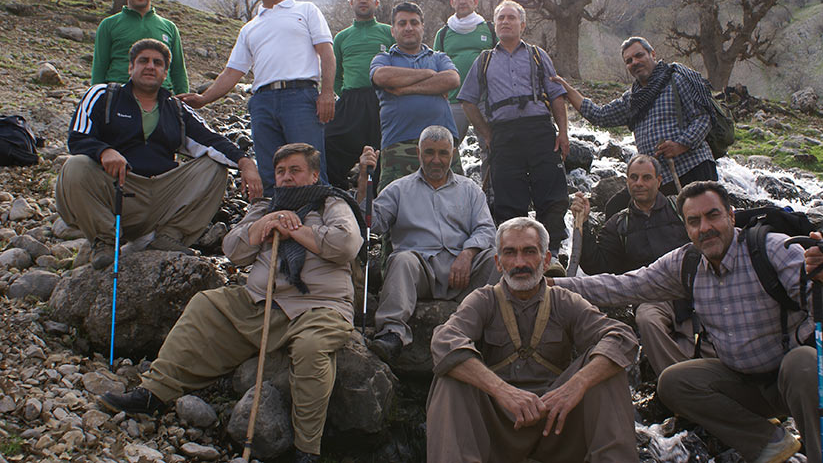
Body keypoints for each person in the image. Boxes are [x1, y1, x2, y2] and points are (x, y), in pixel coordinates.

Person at [100, 143, 365, 463]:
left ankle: (307, 448)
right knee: (206, 305)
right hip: (261, 301)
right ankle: (153, 393)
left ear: (313, 174)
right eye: (281, 172)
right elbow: (234, 250)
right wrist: (259, 228)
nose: (286, 178)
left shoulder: (331, 202)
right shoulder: (266, 205)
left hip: (320, 306)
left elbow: (346, 243)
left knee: (311, 349)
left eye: (295, 171)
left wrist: (295, 230)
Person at [552, 181, 823, 463]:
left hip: (794, 380)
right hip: (742, 382)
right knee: (674, 382)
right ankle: (769, 442)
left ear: (732, 216)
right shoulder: (687, 263)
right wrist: (552, 285)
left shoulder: (773, 249)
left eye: (712, 216)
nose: (704, 228)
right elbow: (623, 286)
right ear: (686, 227)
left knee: (805, 363)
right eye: (694, 221)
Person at [426, 217, 639, 463]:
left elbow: (621, 337)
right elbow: (445, 340)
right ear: (497, 262)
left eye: (529, 252)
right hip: (499, 429)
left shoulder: (564, 301)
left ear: (546, 260)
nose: (520, 263)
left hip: (557, 425)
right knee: (450, 377)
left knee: (607, 367)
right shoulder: (483, 300)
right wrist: (501, 390)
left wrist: (578, 383)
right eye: (510, 253)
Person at [57, 38, 261, 269]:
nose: (150, 66)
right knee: (76, 165)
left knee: (214, 167)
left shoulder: (175, 108)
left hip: (161, 195)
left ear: (165, 73)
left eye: (158, 63)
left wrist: (246, 163)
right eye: (143, 61)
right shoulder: (103, 96)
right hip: (117, 191)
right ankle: (104, 240)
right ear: (130, 67)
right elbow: (77, 138)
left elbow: (210, 140)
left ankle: (169, 236)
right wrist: (104, 151)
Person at [179, 0, 336, 195]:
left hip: (301, 97)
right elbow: (232, 72)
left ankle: (317, 226)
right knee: (271, 169)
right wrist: (203, 99)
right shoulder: (249, 28)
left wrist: (326, 93)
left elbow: (326, 53)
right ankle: (277, 224)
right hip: (262, 102)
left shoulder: (306, 10)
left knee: (310, 166)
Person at [359, 125, 496, 363]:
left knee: (496, 259)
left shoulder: (470, 189)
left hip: (463, 270)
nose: (436, 160)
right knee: (401, 260)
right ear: (417, 152)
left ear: (452, 154)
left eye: (443, 153)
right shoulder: (399, 189)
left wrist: (468, 253)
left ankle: (496, 331)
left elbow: (486, 229)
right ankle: (392, 334)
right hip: (419, 270)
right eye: (429, 152)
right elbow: (370, 223)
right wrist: (364, 177)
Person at [571, 153, 714, 376]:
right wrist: (584, 221)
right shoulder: (619, 223)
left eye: (646, 178)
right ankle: (678, 378)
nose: (639, 183)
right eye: (634, 178)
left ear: (659, 181)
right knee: (647, 320)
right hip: (650, 296)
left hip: (693, 289)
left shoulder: (680, 208)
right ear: (627, 181)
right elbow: (597, 266)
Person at [552, 36, 718, 217]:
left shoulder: (677, 80)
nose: (635, 62)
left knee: (701, 222)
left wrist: (681, 144)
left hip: (693, 169)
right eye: (629, 61)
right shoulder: (633, 98)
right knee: (616, 209)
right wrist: (567, 89)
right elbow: (600, 115)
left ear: (652, 54)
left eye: (639, 56)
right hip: (656, 179)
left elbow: (704, 118)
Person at [458, 0, 569, 257]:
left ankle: (551, 253)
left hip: (540, 130)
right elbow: (467, 100)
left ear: (522, 24)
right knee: (508, 198)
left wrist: (563, 133)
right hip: (504, 135)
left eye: (511, 18)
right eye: (500, 19)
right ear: (495, 25)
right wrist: (487, 134)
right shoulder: (484, 60)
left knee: (552, 192)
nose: (505, 22)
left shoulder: (538, 55)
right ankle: (515, 256)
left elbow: (556, 95)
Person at [369, 2, 461, 190]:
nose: (408, 28)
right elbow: (382, 76)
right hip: (399, 145)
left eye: (414, 22)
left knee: (453, 201)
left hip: (443, 144)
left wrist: (405, 89)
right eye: (402, 23)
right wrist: (429, 74)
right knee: (395, 207)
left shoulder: (439, 58)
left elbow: (452, 79)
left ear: (422, 27)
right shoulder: (384, 59)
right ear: (393, 30)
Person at [324, 0, 394, 189]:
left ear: (376, 2)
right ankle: (338, 192)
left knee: (382, 148)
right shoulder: (341, 37)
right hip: (351, 100)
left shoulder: (389, 32)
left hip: (382, 99)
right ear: (351, 2)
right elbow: (334, 75)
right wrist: (346, 94)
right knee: (329, 140)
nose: (363, 0)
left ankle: (379, 197)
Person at [92, 0, 189, 94]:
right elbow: (99, 69)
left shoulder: (169, 27)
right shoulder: (108, 25)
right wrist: (96, 100)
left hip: (161, 98)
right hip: (118, 97)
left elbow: (178, 71)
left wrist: (183, 103)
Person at [433, 0, 496, 139]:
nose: (463, 1)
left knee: (491, 149)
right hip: (454, 101)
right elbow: (434, 69)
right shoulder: (443, 34)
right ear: (452, 2)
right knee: (448, 149)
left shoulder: (490, 29)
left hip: (485, 101)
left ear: (475, 1)